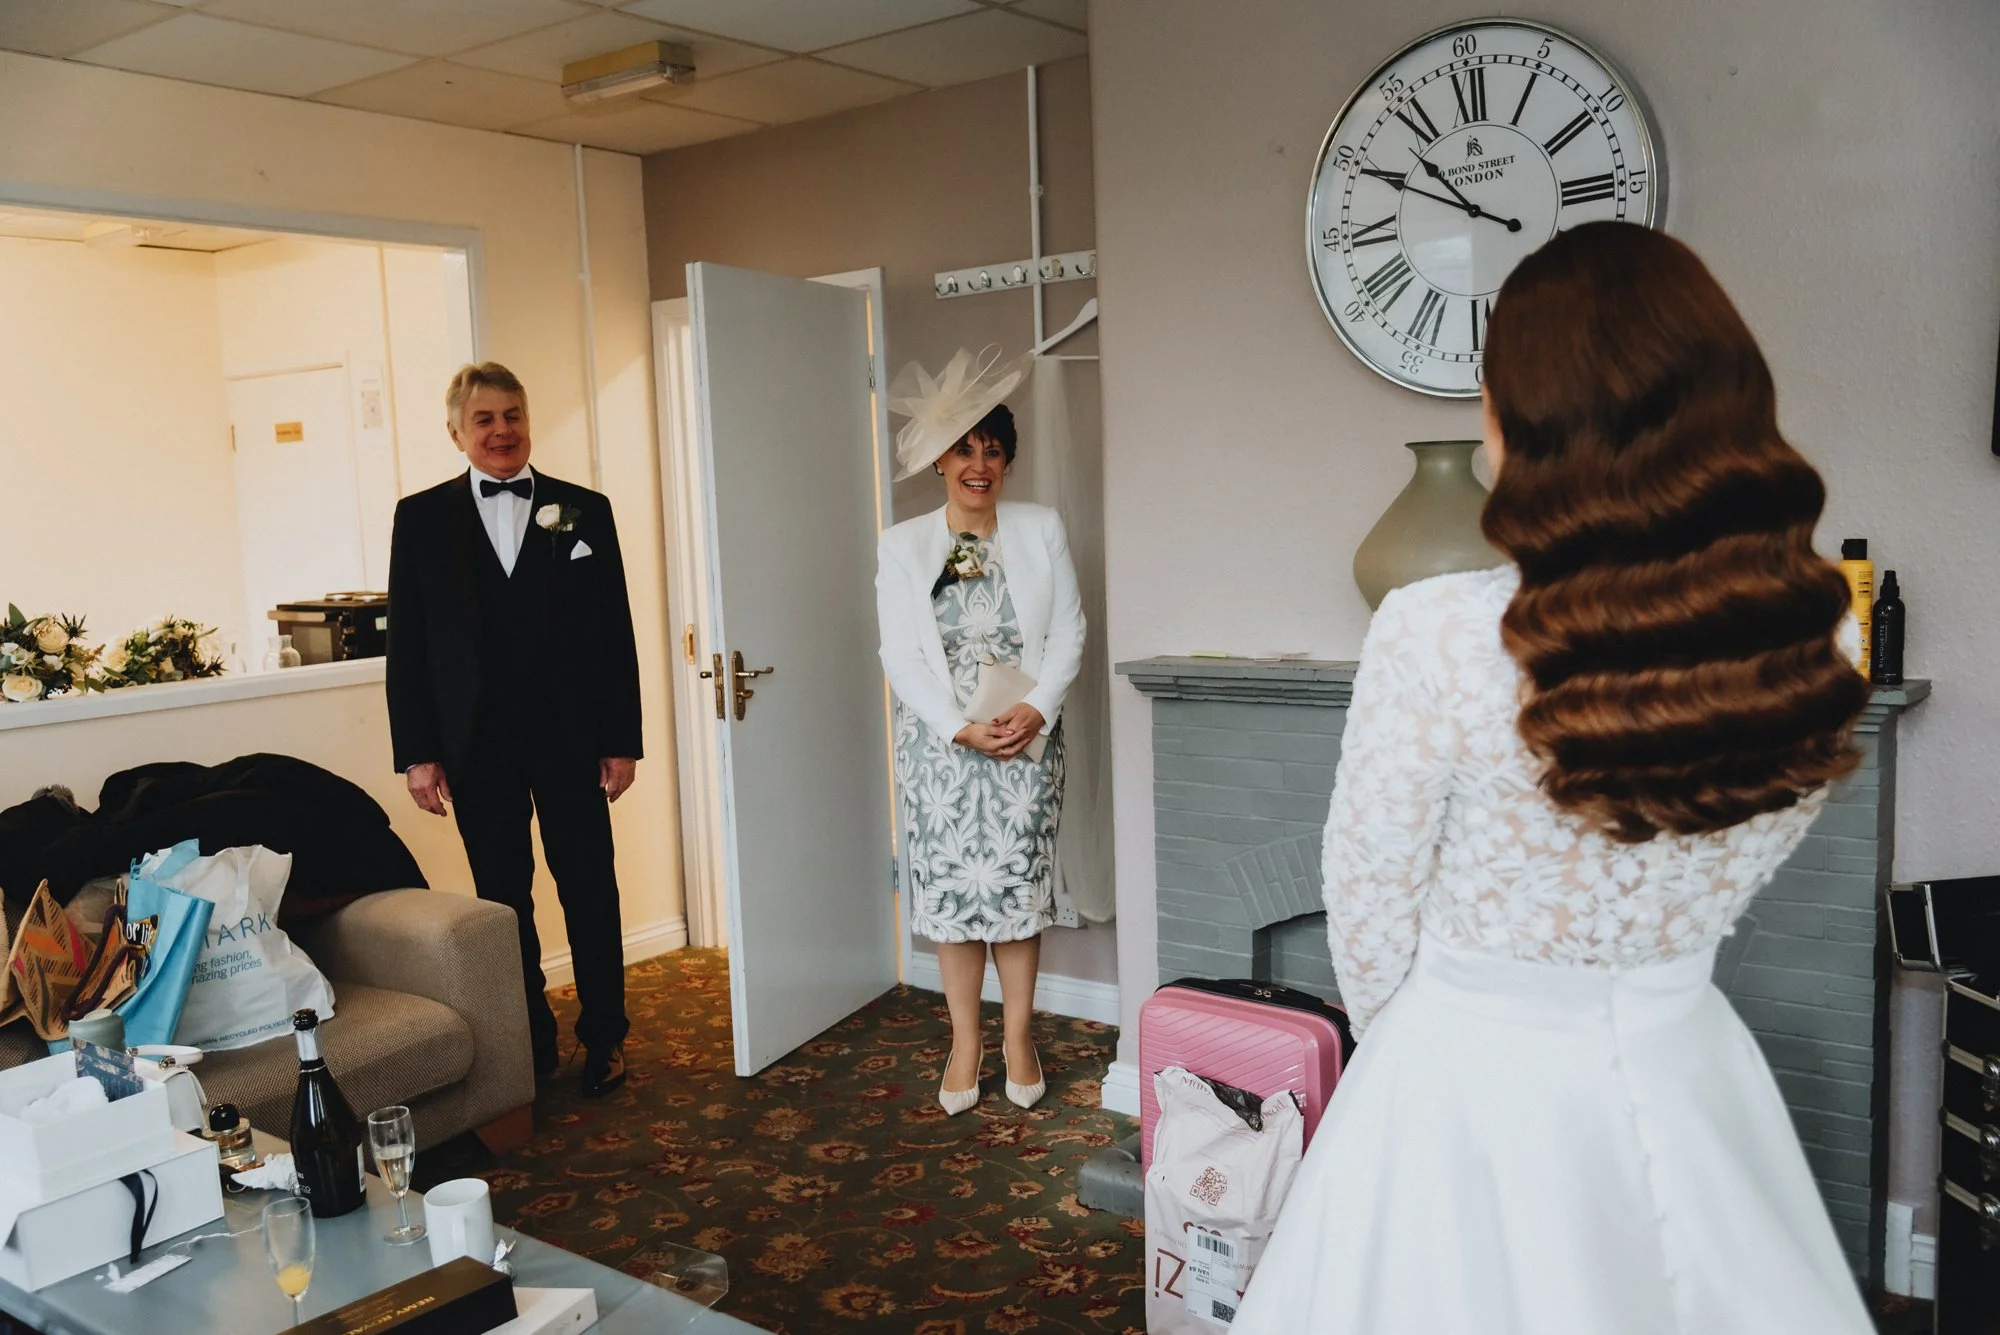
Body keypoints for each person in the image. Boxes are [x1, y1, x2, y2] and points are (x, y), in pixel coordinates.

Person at [1231, 223, 1876, 1333]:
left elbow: (1369, 892)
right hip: (1684, 1067)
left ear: (1524, 410)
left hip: (1463, 1086)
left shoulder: (1433, 628)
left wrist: (1410, 1063)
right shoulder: (1816, 640)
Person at [385, 361, 642, 1099]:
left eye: (513, 415)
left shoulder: (582, 510)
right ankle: (530, 1038)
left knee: (590, 888)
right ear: (457, 432)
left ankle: (606, 1037)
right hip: (475, 746)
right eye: (486, 419)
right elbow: (410, 646)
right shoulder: (421, 518)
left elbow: (613, 632)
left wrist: (620, 737)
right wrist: (419, 754)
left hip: (571, 738)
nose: (502, 431)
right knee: (503, 900)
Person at [876, 347, 1086, 1115]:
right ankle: (966, 1039)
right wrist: (958, 728)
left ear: (1008, 462)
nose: (980, 463)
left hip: (1027, 743)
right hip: (941, 753)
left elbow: (1068, 631)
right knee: (956, 900)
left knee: (1016, 894)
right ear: (938, 457)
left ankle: (1019, 1035)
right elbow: (900, 654)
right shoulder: (901, 546)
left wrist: (1038, 709)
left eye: (994, 450)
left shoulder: (1040, 528)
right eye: (965, 448)